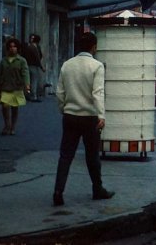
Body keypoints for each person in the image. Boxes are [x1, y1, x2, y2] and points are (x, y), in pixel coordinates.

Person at [52, 32, 114, 207]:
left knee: (65, 156)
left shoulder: (67, 65)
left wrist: (63, 109)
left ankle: (58, 191)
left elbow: (59, 92)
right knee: (92, 155)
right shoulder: (96, 66)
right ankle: (97, 188)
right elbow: (98, 93)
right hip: (89, 118)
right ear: (94, 47)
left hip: (70, 116)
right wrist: (101, 115)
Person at [0, 38, 30, 136]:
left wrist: (27, 85)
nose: (12, 49)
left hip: (16, 87)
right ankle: (7, 125)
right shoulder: (4, 61)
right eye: (10, 47)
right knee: (5, 107)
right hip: (5, 87)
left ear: (18, 48)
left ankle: (12, 127)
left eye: (14, 46)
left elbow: (25, 73)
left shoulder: (21, 61)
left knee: (14, 108)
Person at [24, 34, 45, 102]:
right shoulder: (33, 47)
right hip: (33, 66)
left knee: (29, 81)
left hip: (28, 65)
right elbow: (38, 58)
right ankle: (33, 96)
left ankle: (28, 94)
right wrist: (42, 67)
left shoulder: (30, 47)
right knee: (34, 81)